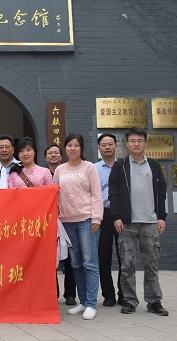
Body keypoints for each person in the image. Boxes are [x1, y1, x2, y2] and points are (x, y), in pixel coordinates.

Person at [109, 127, 168, 316]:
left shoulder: (154, 165)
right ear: (127, 144)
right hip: (127, 223)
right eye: (133, 141)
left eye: (140, 141)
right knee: (127, 264)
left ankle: (154, 301)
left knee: (152, 264)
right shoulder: (120, 166)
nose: (136, 144)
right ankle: (129, 300)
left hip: (150, 222)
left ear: (146, 143)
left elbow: (161, 192)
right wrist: (117, 216)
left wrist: (161, 216)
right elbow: (113, 193)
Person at [53, 133, 103, 320]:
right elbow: (54, 195)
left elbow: (97, 194)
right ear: (65, 148)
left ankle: (91, 303)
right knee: (76, 264)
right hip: (66, 222)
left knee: (90, 262)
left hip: (86, 220)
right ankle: (83, 302)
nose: (72, 148)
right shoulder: (60, 170)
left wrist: (97, 218)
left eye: (76, 145)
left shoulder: (89, 167)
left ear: (81, 148)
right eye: (69, 145)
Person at [94, 133, 124, 307]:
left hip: (121, 215)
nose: (107, 147)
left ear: (116, 147)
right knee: (103, 257)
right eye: (103, 145)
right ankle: (108, 295)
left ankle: (124, 293)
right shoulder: (94, 169)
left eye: (110, 144)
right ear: (99, 148)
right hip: (103, 215)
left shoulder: (124, 167)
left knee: (124, 256)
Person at [45, 144, 76, 306]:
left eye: (56, 152)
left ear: (61, 156)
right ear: (45, 157)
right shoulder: (43, 174)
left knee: (70, 258)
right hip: (49, 221)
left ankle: (70, 294)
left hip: (67, 218)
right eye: (50, 153)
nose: (53, 155)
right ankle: (54, 292)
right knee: (51, 259)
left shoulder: (67, 173)